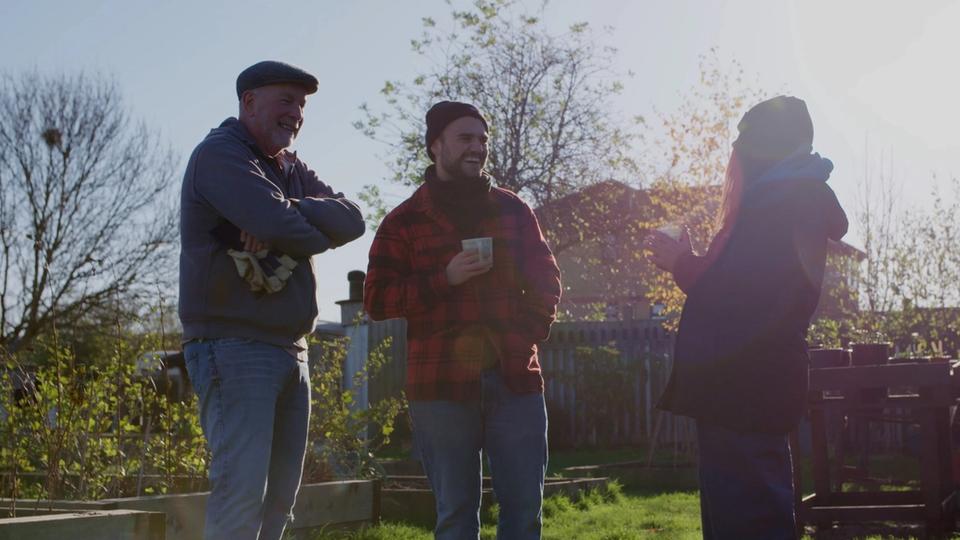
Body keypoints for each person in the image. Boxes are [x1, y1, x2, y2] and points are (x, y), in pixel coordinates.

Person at [646, 96, 848, 540]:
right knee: (743, 514)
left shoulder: (781, 202)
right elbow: (745, 283)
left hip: (744, 386)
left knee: (749, 518)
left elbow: (741, 294)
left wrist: (682, 262)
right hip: (745, 386)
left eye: (744, 144)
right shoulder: (787, 199)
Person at [178, 60, 365, 540]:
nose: (296, 113)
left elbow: (353, 219)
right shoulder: (221, 155)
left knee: (279, 499)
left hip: (289, 348)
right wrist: (296, 226)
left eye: (301, 104)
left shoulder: (290, 167)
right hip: (234, 345)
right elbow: (282, 226)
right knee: (242, 494)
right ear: (249, 102)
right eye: (286, 100)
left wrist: (292, 210)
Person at [364, 101, 562, 540]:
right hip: (439, 387)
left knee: (525, 514)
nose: (478, 148)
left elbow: (546, 276)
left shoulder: (513, 210)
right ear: (436, 145)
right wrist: (443, 278)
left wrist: (528, 332)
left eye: (482, 140)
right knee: (455, 517)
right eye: (466, 138)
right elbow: (376, 300)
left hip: (515, 380)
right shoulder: (404, 221)